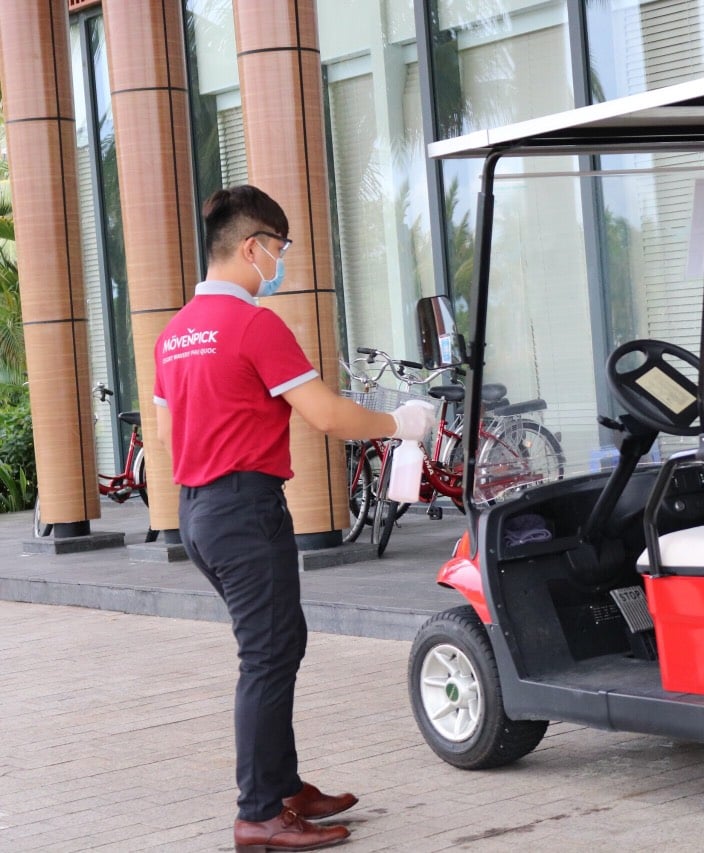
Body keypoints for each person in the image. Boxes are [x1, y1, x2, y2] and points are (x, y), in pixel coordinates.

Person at [152, 185, 433, 851]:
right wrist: (401, 422)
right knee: (267, 654)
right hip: (245, 511)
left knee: (278, 644)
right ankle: (259, 813)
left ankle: (282, 787)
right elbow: (328, 415)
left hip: (199, 511)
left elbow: (165, 435)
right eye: (279, 248)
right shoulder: (255, 325)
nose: (280, 263)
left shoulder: (174, 333)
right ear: (252, 247)